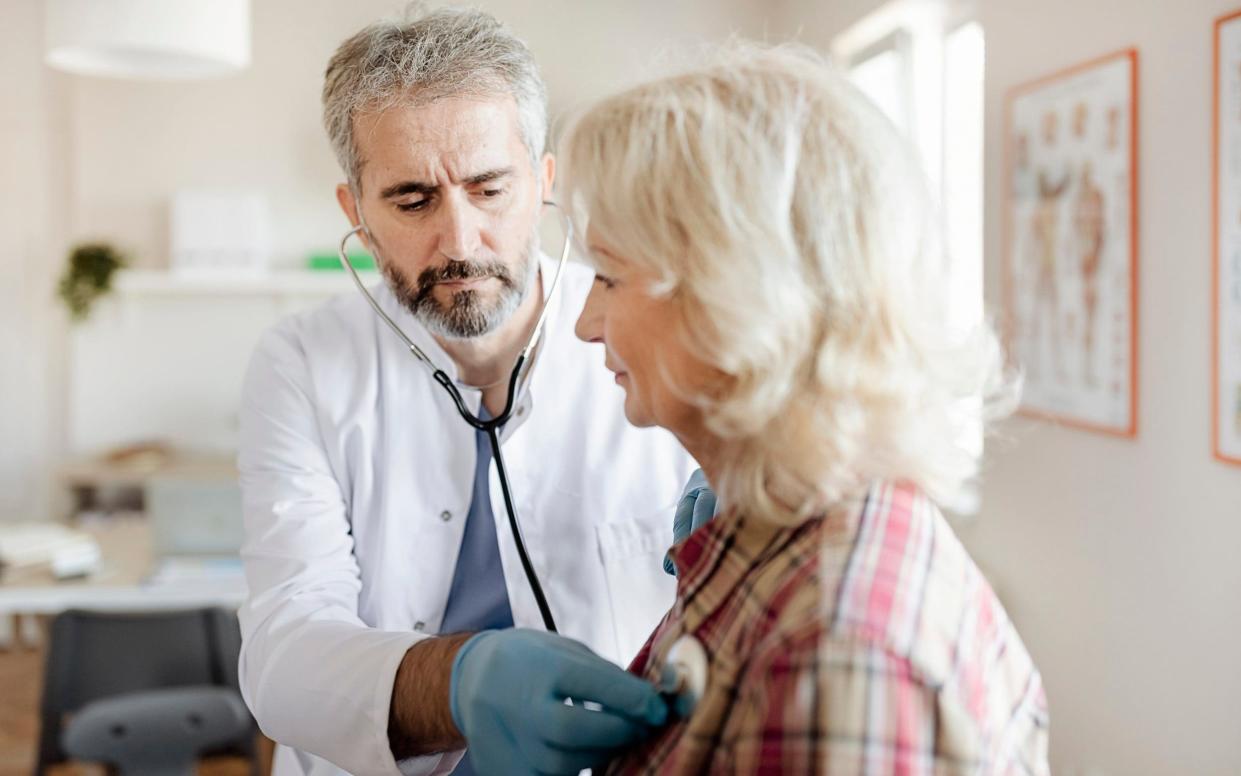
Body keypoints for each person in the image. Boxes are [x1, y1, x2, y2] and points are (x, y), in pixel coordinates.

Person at [561, 44, 1051, 774]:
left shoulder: (841, 649)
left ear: (735, 297)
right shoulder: (779, 532)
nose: (585, 323)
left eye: (607, 275)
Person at [236, 8, 693, 776]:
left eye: (489, 189)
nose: (458, 241)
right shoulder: (302, 362)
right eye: (412, 201)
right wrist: (457, 683)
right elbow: (284, 652)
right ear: (357, 212)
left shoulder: (646, 326)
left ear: (543, 181)